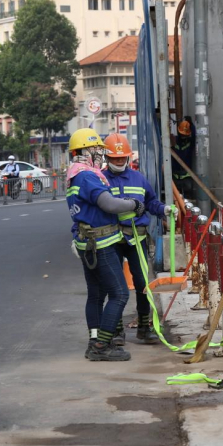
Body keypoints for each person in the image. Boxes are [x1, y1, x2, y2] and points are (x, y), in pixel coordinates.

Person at [66, 128, 145, 361]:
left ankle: (95, 340)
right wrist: (133, 204)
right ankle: (101, 346)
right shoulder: (88, 176)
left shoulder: (75, 174)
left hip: (87, 242)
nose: (100, 154)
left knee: (96, 295)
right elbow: (108, 204)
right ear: (85, 151)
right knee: (119, 294)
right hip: (101, 243)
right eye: (97, 150)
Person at [102, 133, 176, 344]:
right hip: (111, 239)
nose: (119, 161)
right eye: (115, 158)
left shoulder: (138, 178)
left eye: (122, 157)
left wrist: (164, 210)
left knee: (143, 282)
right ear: (107, 158)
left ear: (127, 157)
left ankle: (145, 326)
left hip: (137, 238)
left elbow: (151, 202)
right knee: (115, 286)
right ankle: (116, 331)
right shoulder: (100, 179)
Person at [171, 116, 195, 199]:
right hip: (175, 176)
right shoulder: (174, 141)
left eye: (185, 135)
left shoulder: (190, 143)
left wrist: (191, 124)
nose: (183, 136)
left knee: (188, 201)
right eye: (182, 135)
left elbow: (195, 136)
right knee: (176, 201)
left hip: (186, 177)